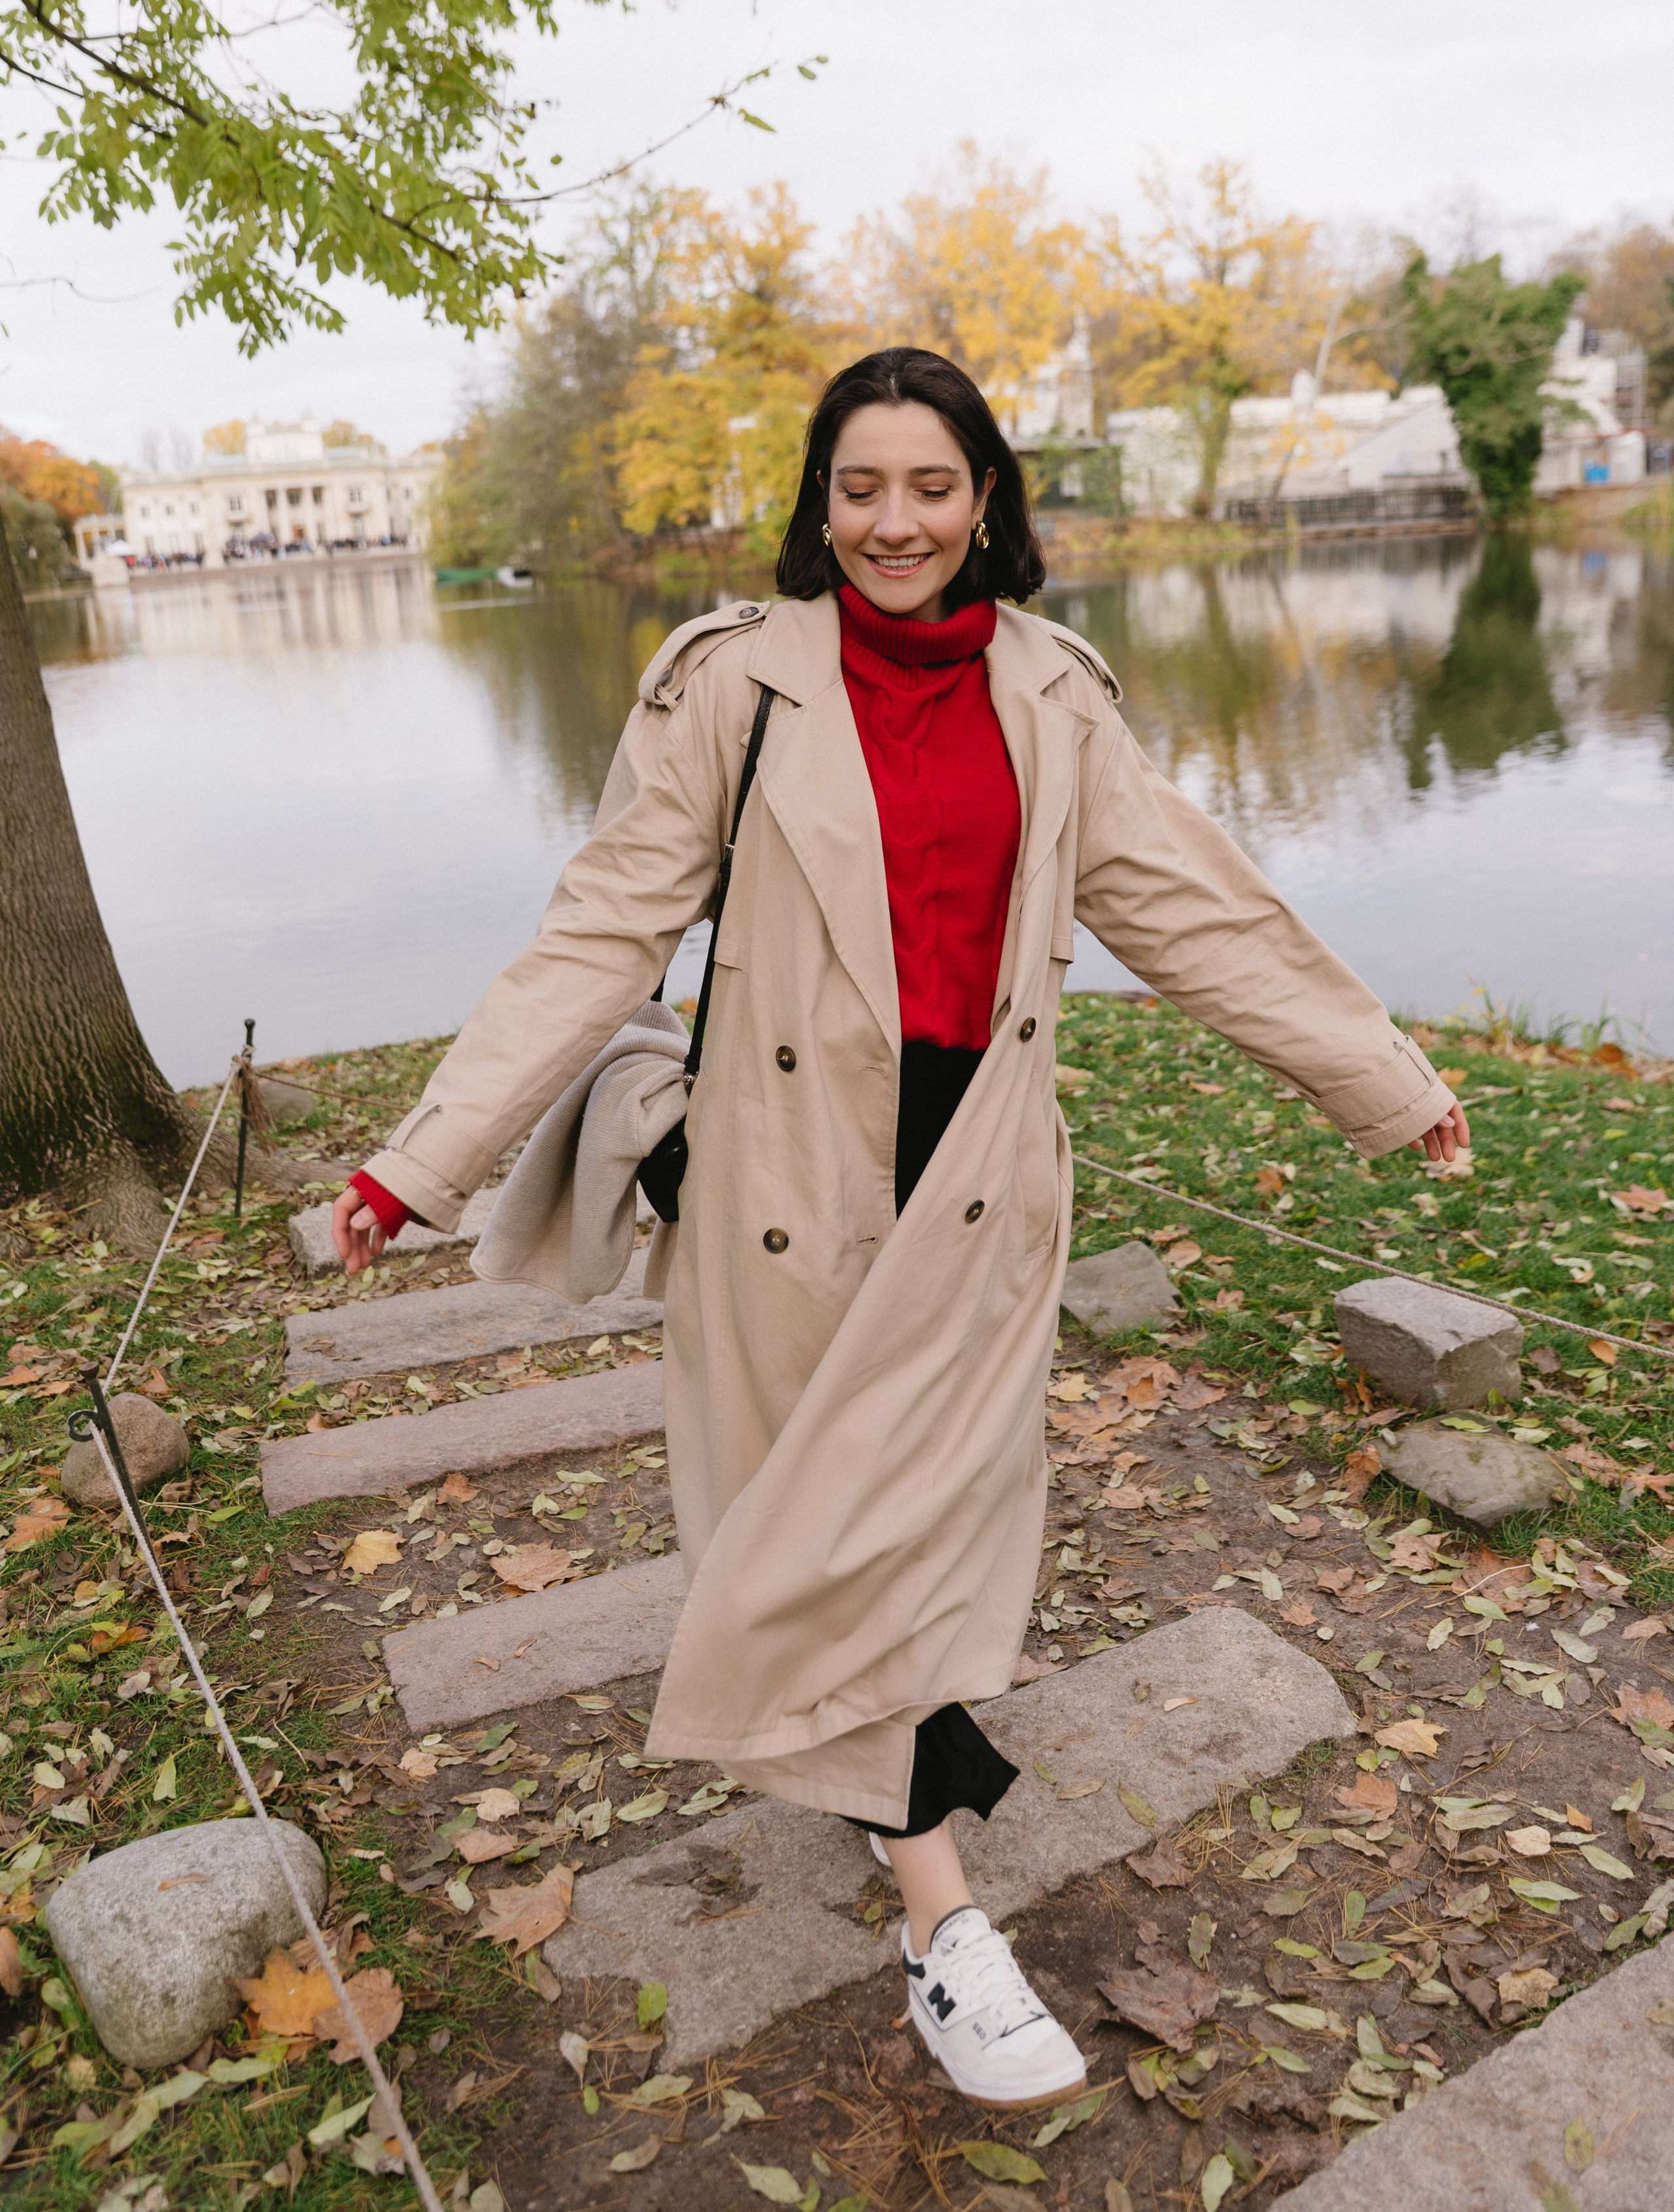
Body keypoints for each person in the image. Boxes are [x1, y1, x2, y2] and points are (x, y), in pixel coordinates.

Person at [333, 347, 1467, 2109]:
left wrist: (1378, 1077)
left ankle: (891, 1820)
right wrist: (423, 1159)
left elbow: (1198, 910)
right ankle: (947, 1924)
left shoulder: (1054, 693)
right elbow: (601, 932)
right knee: (825, 1528)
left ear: (986, 497)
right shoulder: (736, 682)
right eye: (859, 486)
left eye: (931, 485)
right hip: (782, 1179)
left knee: (912, 1531)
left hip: (976, 1175)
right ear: (820, 500)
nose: (895, 522)